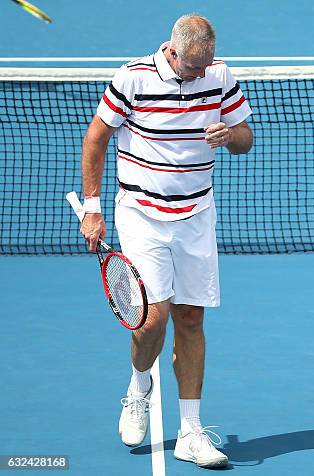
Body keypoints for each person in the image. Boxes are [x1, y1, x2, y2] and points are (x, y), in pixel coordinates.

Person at [79, 13, 253, 468]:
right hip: (141, 214)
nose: (202, 74)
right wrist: (93, 207)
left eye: (207, 64)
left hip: (196, 214)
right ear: (172, 51)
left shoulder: (218, 73)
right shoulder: (132, 78)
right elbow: (96, 139)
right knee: (152, 320)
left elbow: (246, 139)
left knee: (191, 319)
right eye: (194, 66)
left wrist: (229, 134)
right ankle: (139, 388)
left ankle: (190, 432)